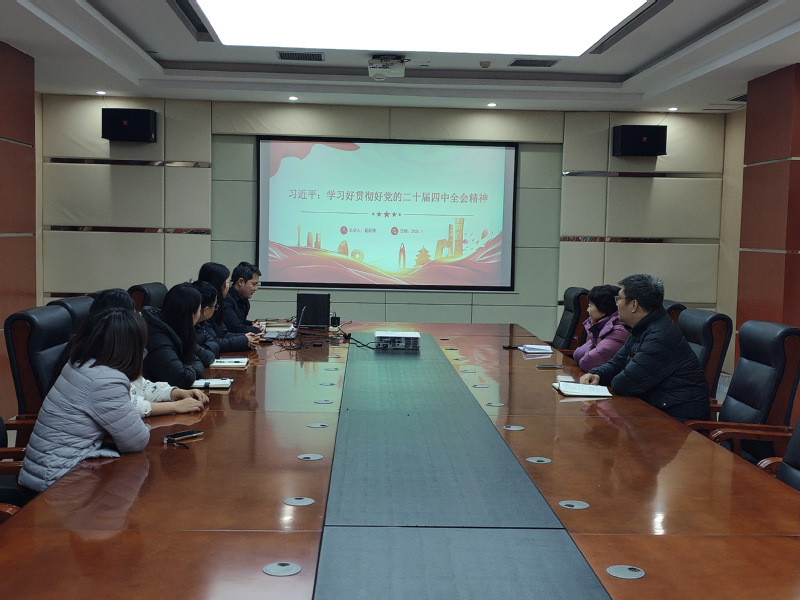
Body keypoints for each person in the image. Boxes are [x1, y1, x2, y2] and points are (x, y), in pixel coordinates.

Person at [19, 309, 152, 493]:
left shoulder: (80, 364)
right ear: (131, 348)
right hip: (57, 484)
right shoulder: (106, 380)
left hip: (48, 472)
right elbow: (136, 441)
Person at [579, 273, 709, 421]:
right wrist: (597, 375)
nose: (616, 304)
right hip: (655, 410)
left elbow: (623, 384)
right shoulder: (642, 327)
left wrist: (609, 377)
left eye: (619, 299)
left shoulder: (660, 337)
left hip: (678, 421)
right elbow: (617, 363)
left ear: (634, 305)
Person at [89, 289, 208, 418]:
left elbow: (141, 386)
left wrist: (177, 393)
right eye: (134, 313)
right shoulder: (95, 364)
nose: (139, 316)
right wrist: (175, 406)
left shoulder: (116, 351)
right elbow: (126, 406)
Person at [143, 283, 212, 388]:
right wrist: (190, 366)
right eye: (199, 310)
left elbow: (198, 360)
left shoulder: (174, 326)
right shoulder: (157, 337)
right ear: (191, 315)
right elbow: (182, 378)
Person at [197, 262, 260, 351]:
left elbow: (224, 333)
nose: (229, 287)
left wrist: (247, 337)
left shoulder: (217, 305)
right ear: (218, 285)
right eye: (228, 283)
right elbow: (214, 342)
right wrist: (246, 338)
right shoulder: (205, 308)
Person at [571, 284, 629, 371]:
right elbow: (577, 355)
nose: (587, 310)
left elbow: (587, 363)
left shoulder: (619, 331)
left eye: (590, 306)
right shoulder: (602, 327)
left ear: (603, 311)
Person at [223, 261, 264, 334]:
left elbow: (241, 322)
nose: (256, 289)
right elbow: (235, 328)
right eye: (254, 284)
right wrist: (256, 329)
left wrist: (253, 324)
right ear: (240, 282)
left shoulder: (244, 300)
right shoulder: (226, 300)